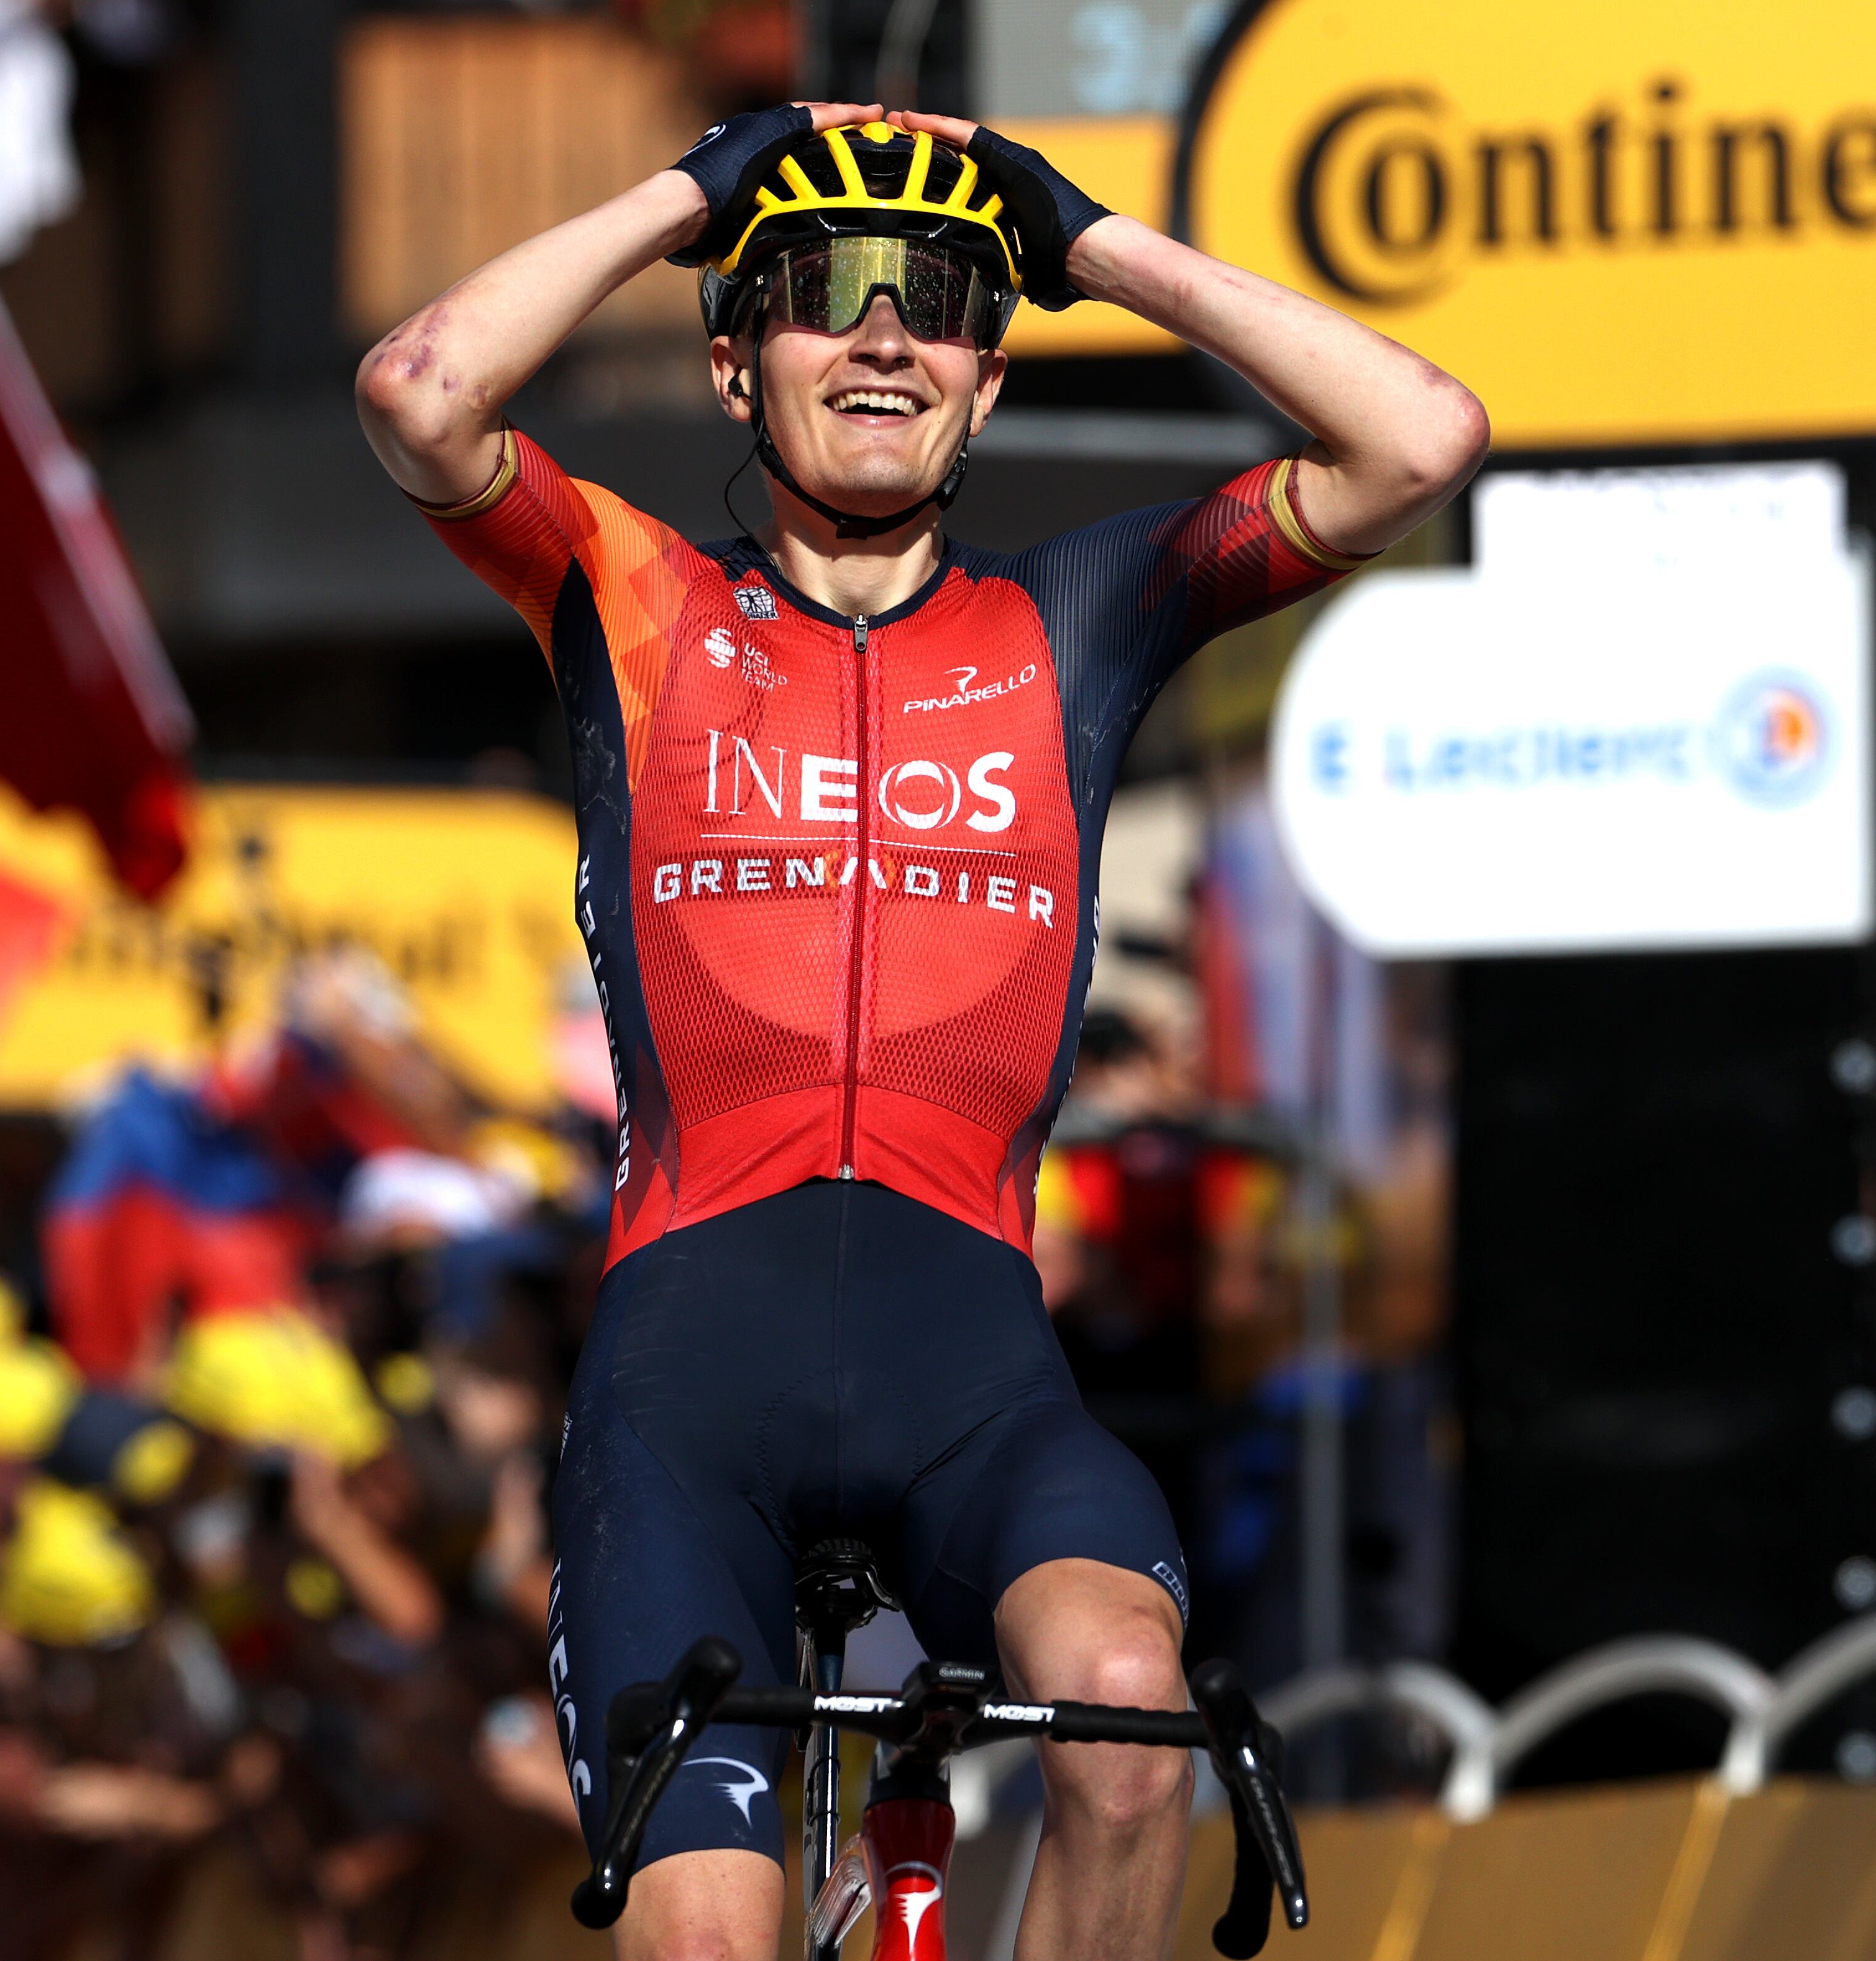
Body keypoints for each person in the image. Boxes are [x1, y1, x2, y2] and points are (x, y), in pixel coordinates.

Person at [357, 101, 1485, 1961]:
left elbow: (1421, 433)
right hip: (683, 1401)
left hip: (973, 1371)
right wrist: (692, 196)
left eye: (943, 298)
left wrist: (1090, 235)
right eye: (820, 288)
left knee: (1130, 1730)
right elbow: (420, 389)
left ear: (989, 379)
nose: (884, 330)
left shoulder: (1085, 615)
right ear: (735, 361)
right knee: (707, 1941)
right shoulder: (634, 596)